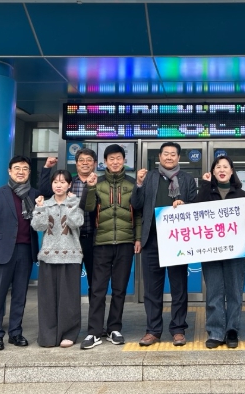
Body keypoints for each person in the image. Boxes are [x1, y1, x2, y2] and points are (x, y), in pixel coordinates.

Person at [0, 155, 50, 351]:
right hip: (2, 251)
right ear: (9, 171)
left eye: (25, 169)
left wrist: (46, 169)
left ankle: (15, 333)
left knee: (20, 295)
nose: (21, 172)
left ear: (29, 173)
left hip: (25, 250)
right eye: (17, 168)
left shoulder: (34, 194)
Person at [131, 142, 197, 347]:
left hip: (177, 242)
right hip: (152, 241)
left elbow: (196, 207)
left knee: (179, 288)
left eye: (173, 154)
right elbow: (136, 205)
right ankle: (153, 330)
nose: (169, 157)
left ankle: (178, 329)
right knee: (152, 290)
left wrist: (185, 205)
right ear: (159, 156)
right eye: (165, 154)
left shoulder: (187, 179)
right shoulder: (149, 177)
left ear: (178, 157)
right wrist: (138, 184)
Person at [80, 144, 142, 349]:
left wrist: (137, 238)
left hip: (125, 242)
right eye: (111, 159)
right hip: (101, 243)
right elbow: (88, 208)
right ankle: (94, 331)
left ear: (124, 160)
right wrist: (90, 188)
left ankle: (114, 328)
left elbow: (138, 213)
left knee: (119, 289)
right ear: (105, 162)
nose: (115, 162)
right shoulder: (96, 183)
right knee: (98, 289)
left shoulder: (132, 183)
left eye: (118, 158)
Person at [196, 155, 245, 349]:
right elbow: (195, 212)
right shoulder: (206, 192)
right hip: (210, 251)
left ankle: (232, 330)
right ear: (213, 171)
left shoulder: (241, 194)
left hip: (236, 251)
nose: (222, 170)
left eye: (225, 167)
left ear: (231, 171)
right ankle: (216, 332)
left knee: (235, 292)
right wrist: (205, 185)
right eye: (218, 167)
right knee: (214, 292)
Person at [31, 170, 83, 348]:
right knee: (47, 300)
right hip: (48, 257)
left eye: (62, 182)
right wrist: (39, 208)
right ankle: (48, 335)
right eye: (55, 182)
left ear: (69, 185)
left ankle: (69, 334)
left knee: (69, 300)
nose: (58, 185)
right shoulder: (44, 204)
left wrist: (71, 204)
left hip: (71, 257)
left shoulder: (75, 202)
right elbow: (38, 226)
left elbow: (76, 223)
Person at [41, 148, 98, 294]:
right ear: (76, 163)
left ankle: (94, 310)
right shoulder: (69, 182)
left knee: (96, 283)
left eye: (89, 160)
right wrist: (47, 168)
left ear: (95, 164)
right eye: (81, 160)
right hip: (70, 239)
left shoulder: (99, 183)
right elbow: (45, 190)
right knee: (70, 283)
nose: (85, 163)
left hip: (92, 239)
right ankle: (71, 309)